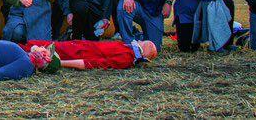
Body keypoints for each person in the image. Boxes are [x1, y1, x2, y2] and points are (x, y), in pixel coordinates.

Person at [23, 39, 157, 70]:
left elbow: (93, 63)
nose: (139, 40)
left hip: (75, 52)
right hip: (77, 46)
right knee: (34, 44)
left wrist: (60, 63)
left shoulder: (126, 58)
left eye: (143, 42)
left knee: (32, 50)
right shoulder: (124, 48)